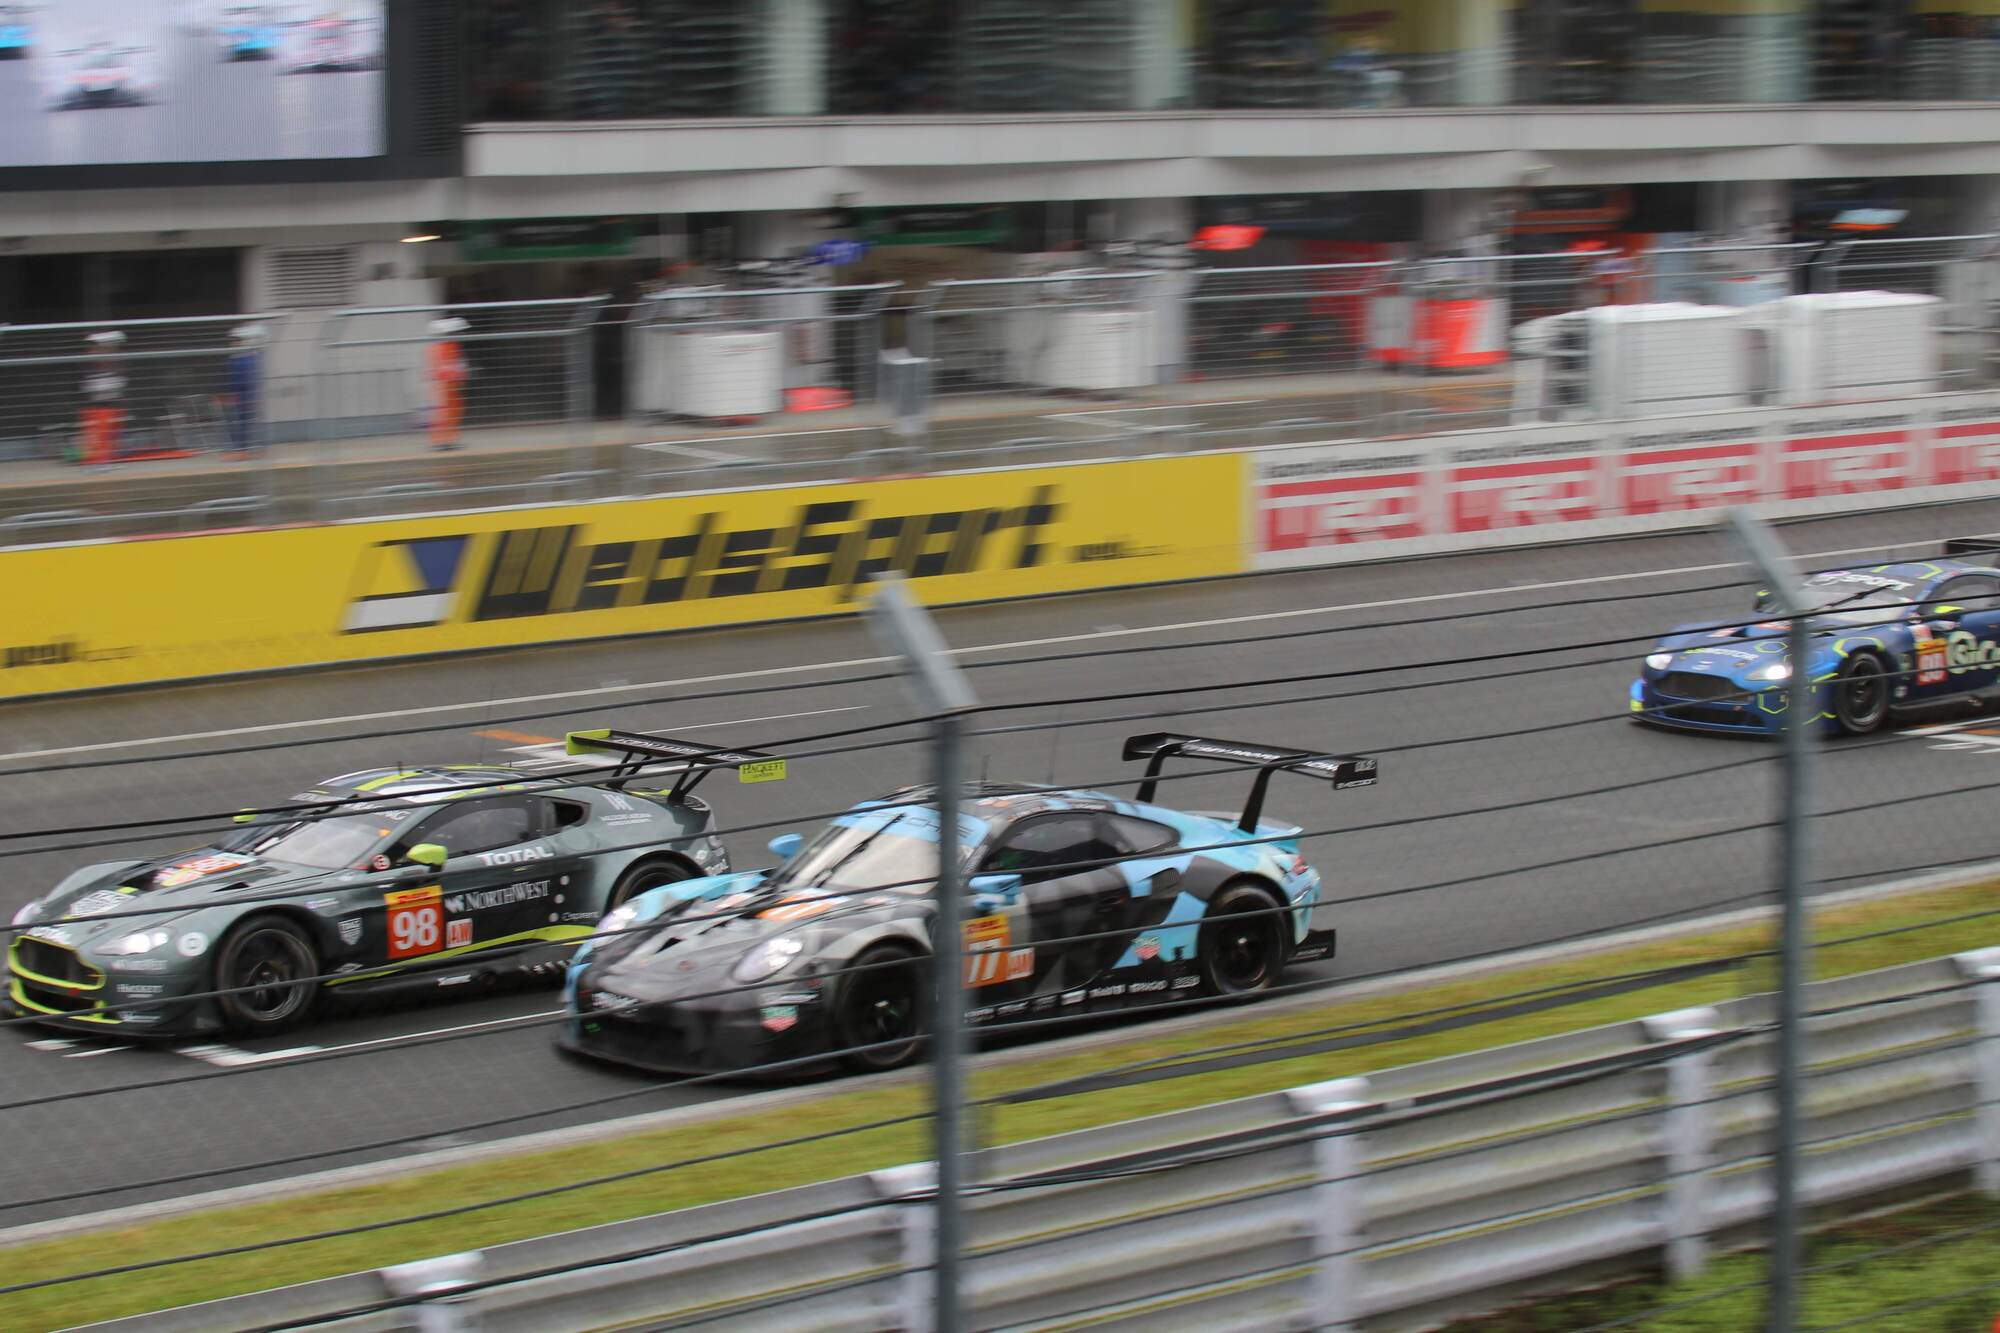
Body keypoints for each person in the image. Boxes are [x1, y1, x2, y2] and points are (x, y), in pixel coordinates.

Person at [78, 329, 126, 468]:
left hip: (110, 399)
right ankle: (99, 459)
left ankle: (108, 457)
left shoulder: (113, 363)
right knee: (100, 431)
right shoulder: (94, 361)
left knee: (112, 430)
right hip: (99, 402)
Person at [217, 323, 264, 459]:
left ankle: (241, 450)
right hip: (241, 395)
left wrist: (230, 393)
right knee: (242, 422)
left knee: (240, 423)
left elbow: (240, 380)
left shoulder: (243, 359)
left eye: (235, 340)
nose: (233, 343)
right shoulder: (244, 358)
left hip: (241, 395)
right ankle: (242, 449)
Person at [426, 316, 469, 451]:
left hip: (447, 383)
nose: (459, 335)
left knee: (452, 411)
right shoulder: (442, 347)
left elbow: (456, 364)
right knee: (445, 412)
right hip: (446, 383)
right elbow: (448, 366)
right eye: (457, 332)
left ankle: (448, 440)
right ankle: (441, 441)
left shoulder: (443, 346)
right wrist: (459, 376)